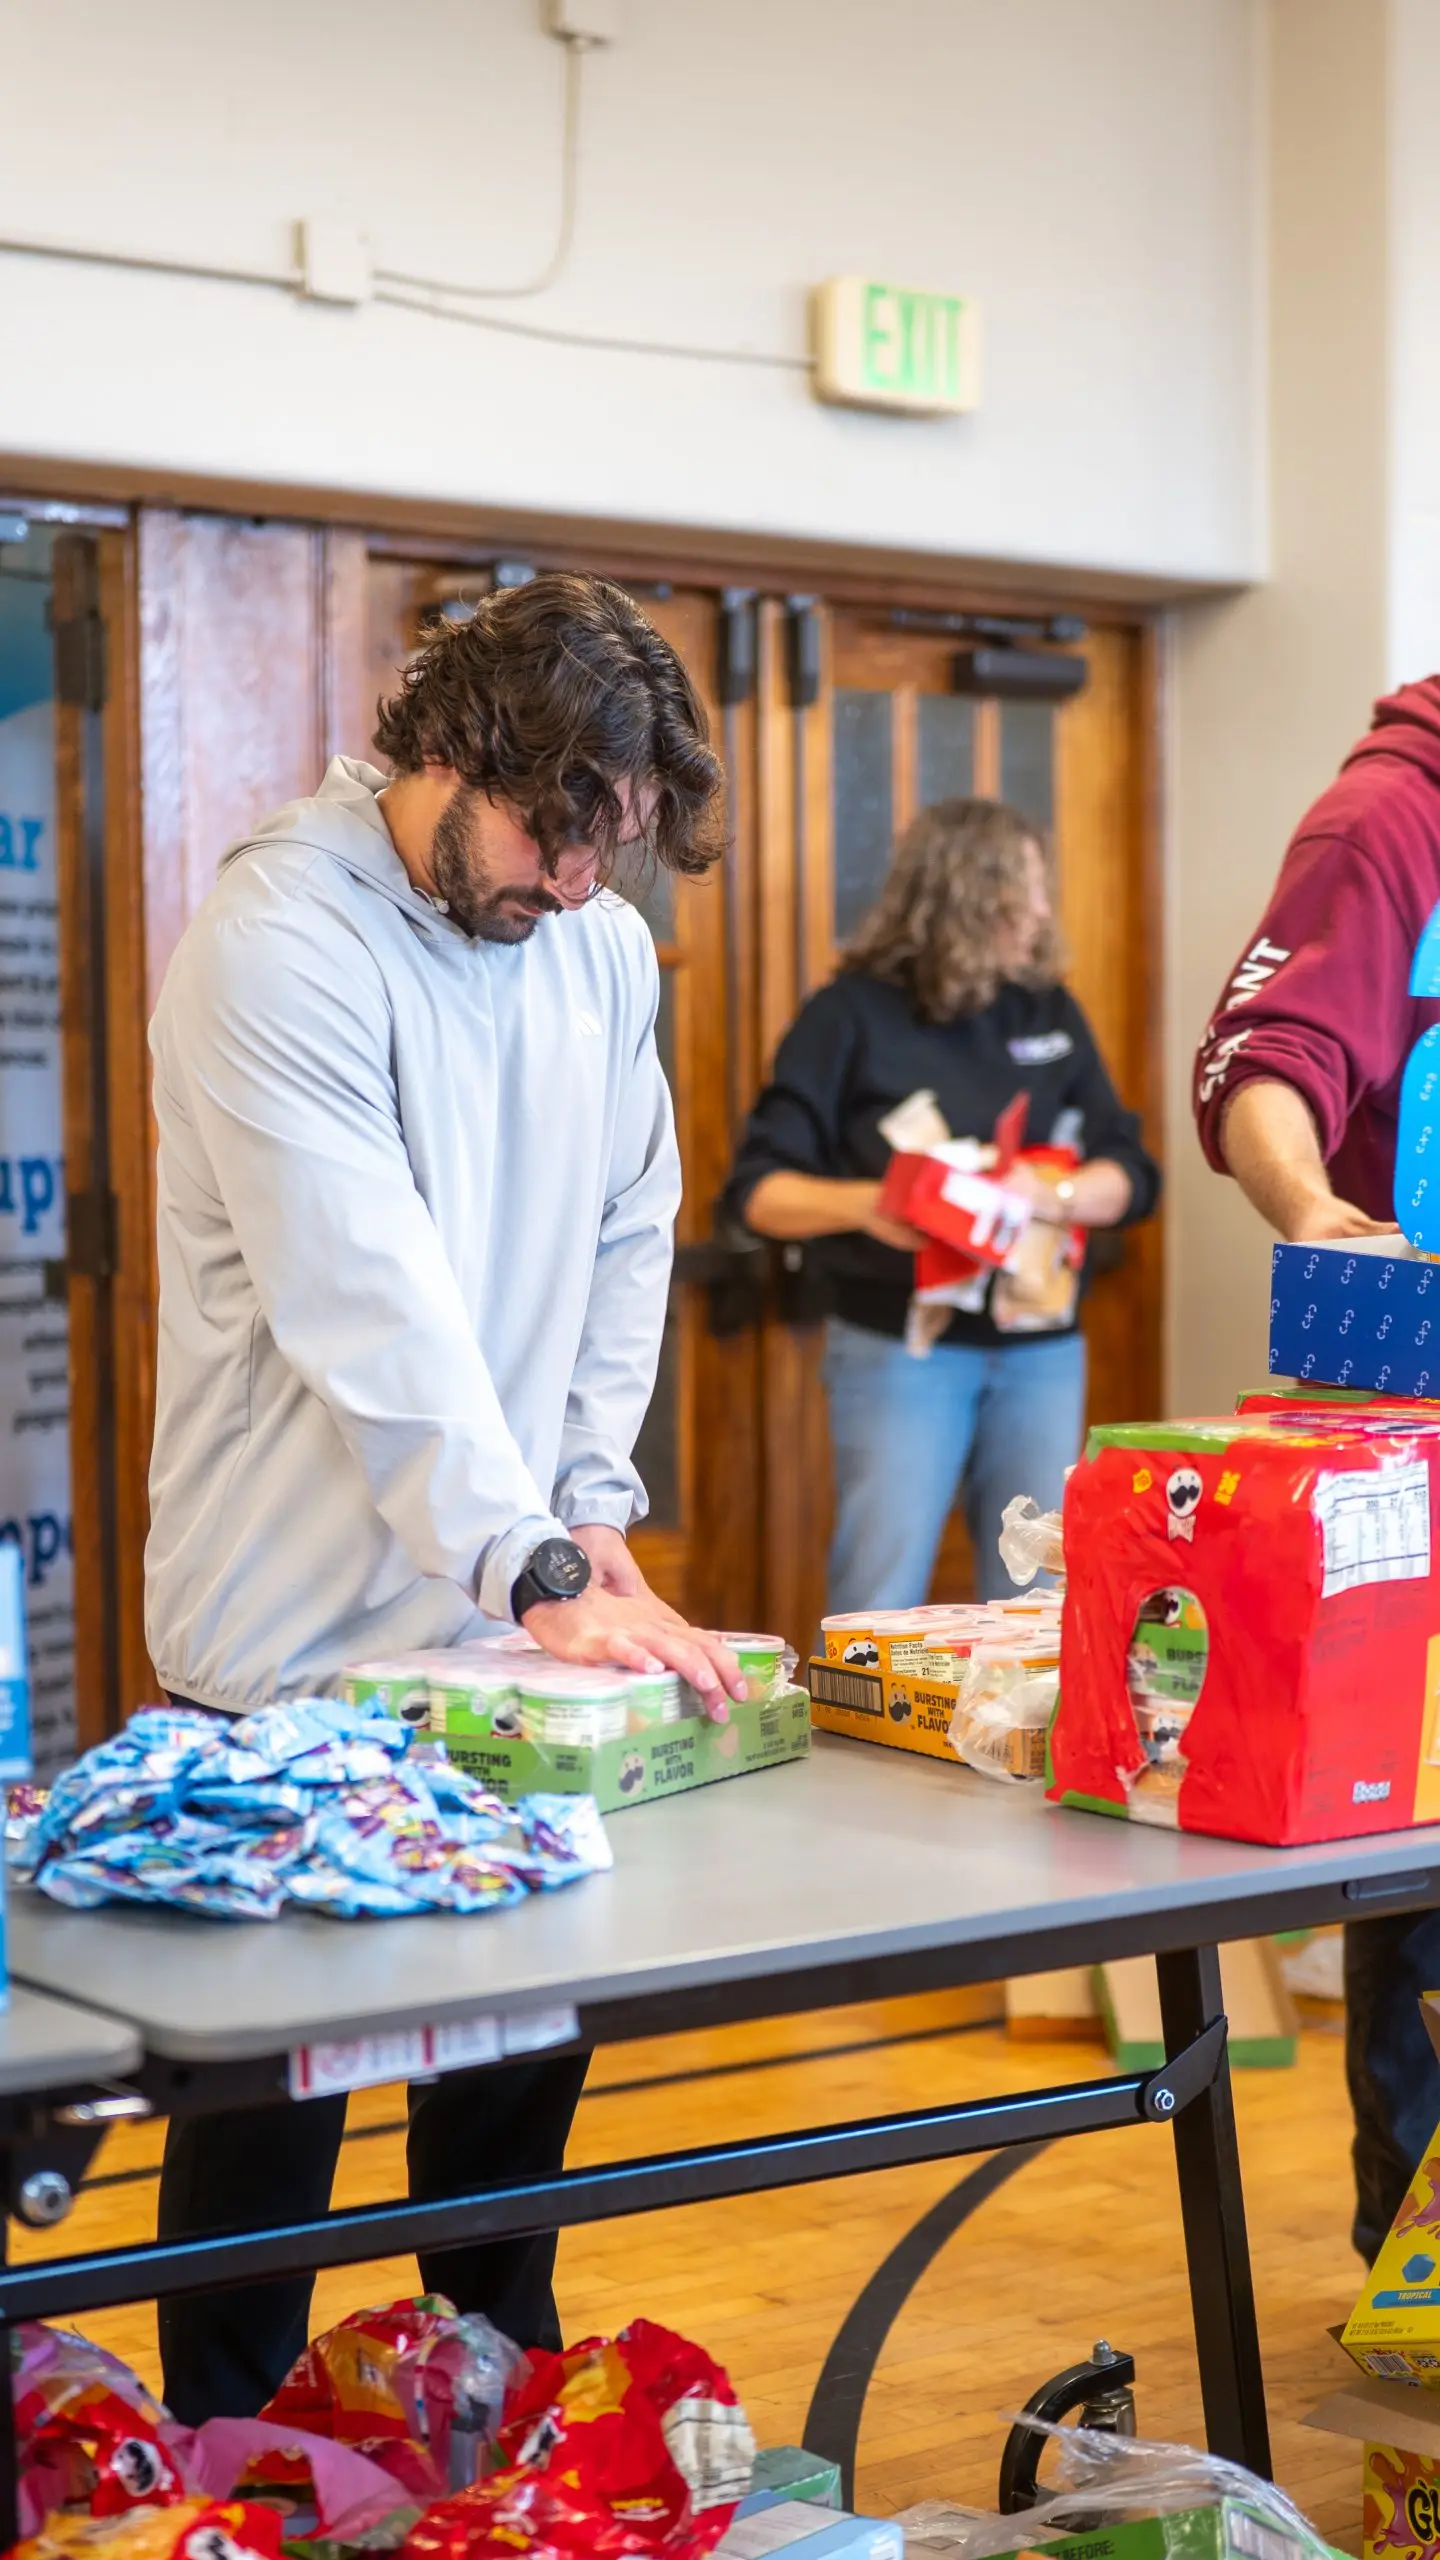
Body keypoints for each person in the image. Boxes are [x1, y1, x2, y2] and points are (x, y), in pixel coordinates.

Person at [146, 570, 745, 2420]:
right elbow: (368, 1296)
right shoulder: (279, 940)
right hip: (288, 1649)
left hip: (506, 1658)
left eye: (614, 849)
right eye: (556, 833)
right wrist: (533, 1554)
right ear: (444, 752)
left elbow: (626, 1225)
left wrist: (585, 1502)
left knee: (506, 2138)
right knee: (266, 2156)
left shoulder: (594, 948)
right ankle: (220, 2479)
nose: (577, 883)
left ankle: (492, 2456)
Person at [1193, 672, 1440, 2263]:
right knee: (1429, 1859)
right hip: (1416, 1400)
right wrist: (1311, 1210)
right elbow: (1270, 1056)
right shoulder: (1390, 818)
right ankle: (1412, 2254)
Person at [722, 798, 1160, 1610]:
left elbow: (1133, 1176)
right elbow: (759, 1196)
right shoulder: (846, 1016)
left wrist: (1052, 1193)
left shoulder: (1050, 1012)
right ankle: (856, 1735)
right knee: (878, 1590)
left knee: (1038, 1596)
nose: (1039, 911)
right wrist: (872, 1204)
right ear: (959, 893)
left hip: (1040, 1350)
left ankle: (1027, 1742)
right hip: (900, 1352)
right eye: (1017, 890)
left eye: (1040, 889)